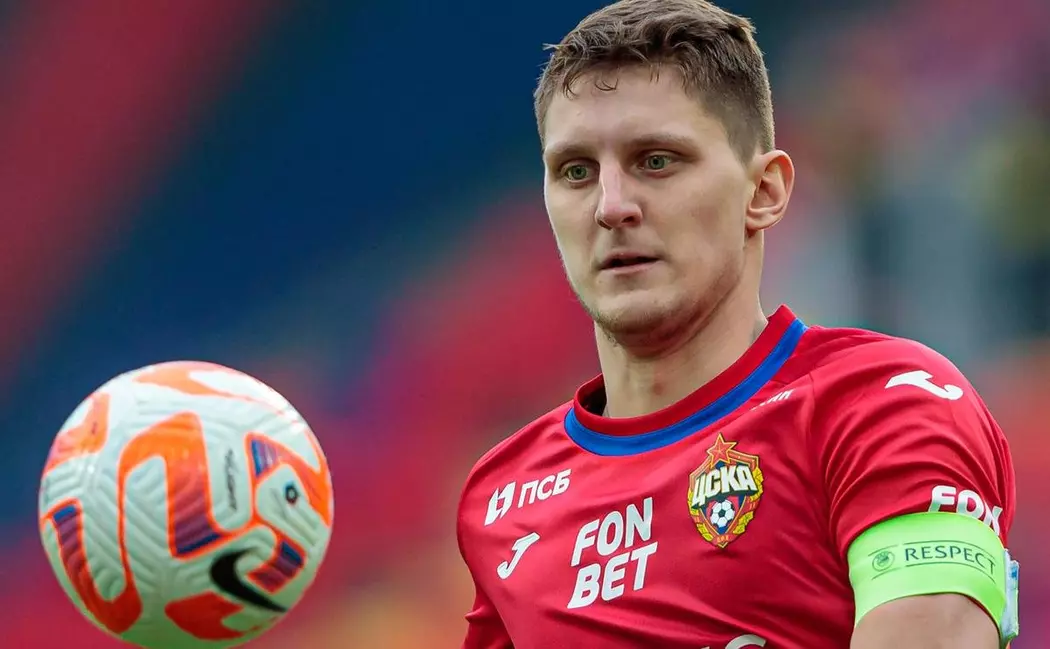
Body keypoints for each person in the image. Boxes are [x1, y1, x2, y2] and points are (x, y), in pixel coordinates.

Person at [455, 1, 1020, 647]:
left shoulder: (884, 407)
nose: (611, 206)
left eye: (656, 160)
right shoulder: (504, 497)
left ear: (764, 191)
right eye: (576, 172)